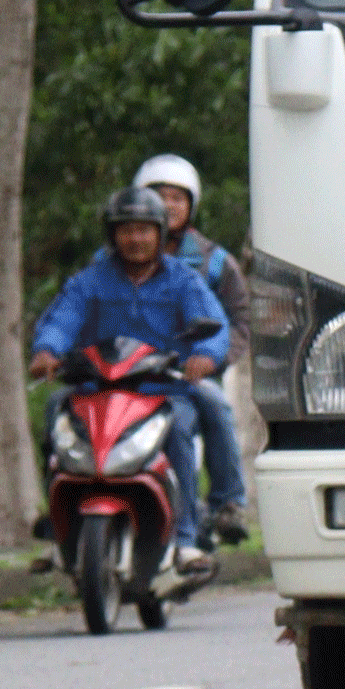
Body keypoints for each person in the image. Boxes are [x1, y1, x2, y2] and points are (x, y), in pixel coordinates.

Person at [29, 188, 229, 571]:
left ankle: (186, 540)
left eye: (143, 231)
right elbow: (62, 318)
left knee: (180, 433)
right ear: (112, 235)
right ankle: (58, 530)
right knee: (56, 411)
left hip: (161, 390)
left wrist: (205, 355)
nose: (135, 240)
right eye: (125, 231)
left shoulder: (183, 281)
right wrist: (47, 351)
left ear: (159, 233)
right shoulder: (91, 281)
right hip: (98, 389)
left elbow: (214, 325)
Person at [133, 154, 253, 544]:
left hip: (183, 375)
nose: (167, 207)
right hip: (125, 374)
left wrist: (210, 358)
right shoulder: (112, 262)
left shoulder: (212, 262)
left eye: (177, 198)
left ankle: (224, 505)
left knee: (202, 412)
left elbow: (236, 319)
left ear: (191, 206)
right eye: (158, 197)